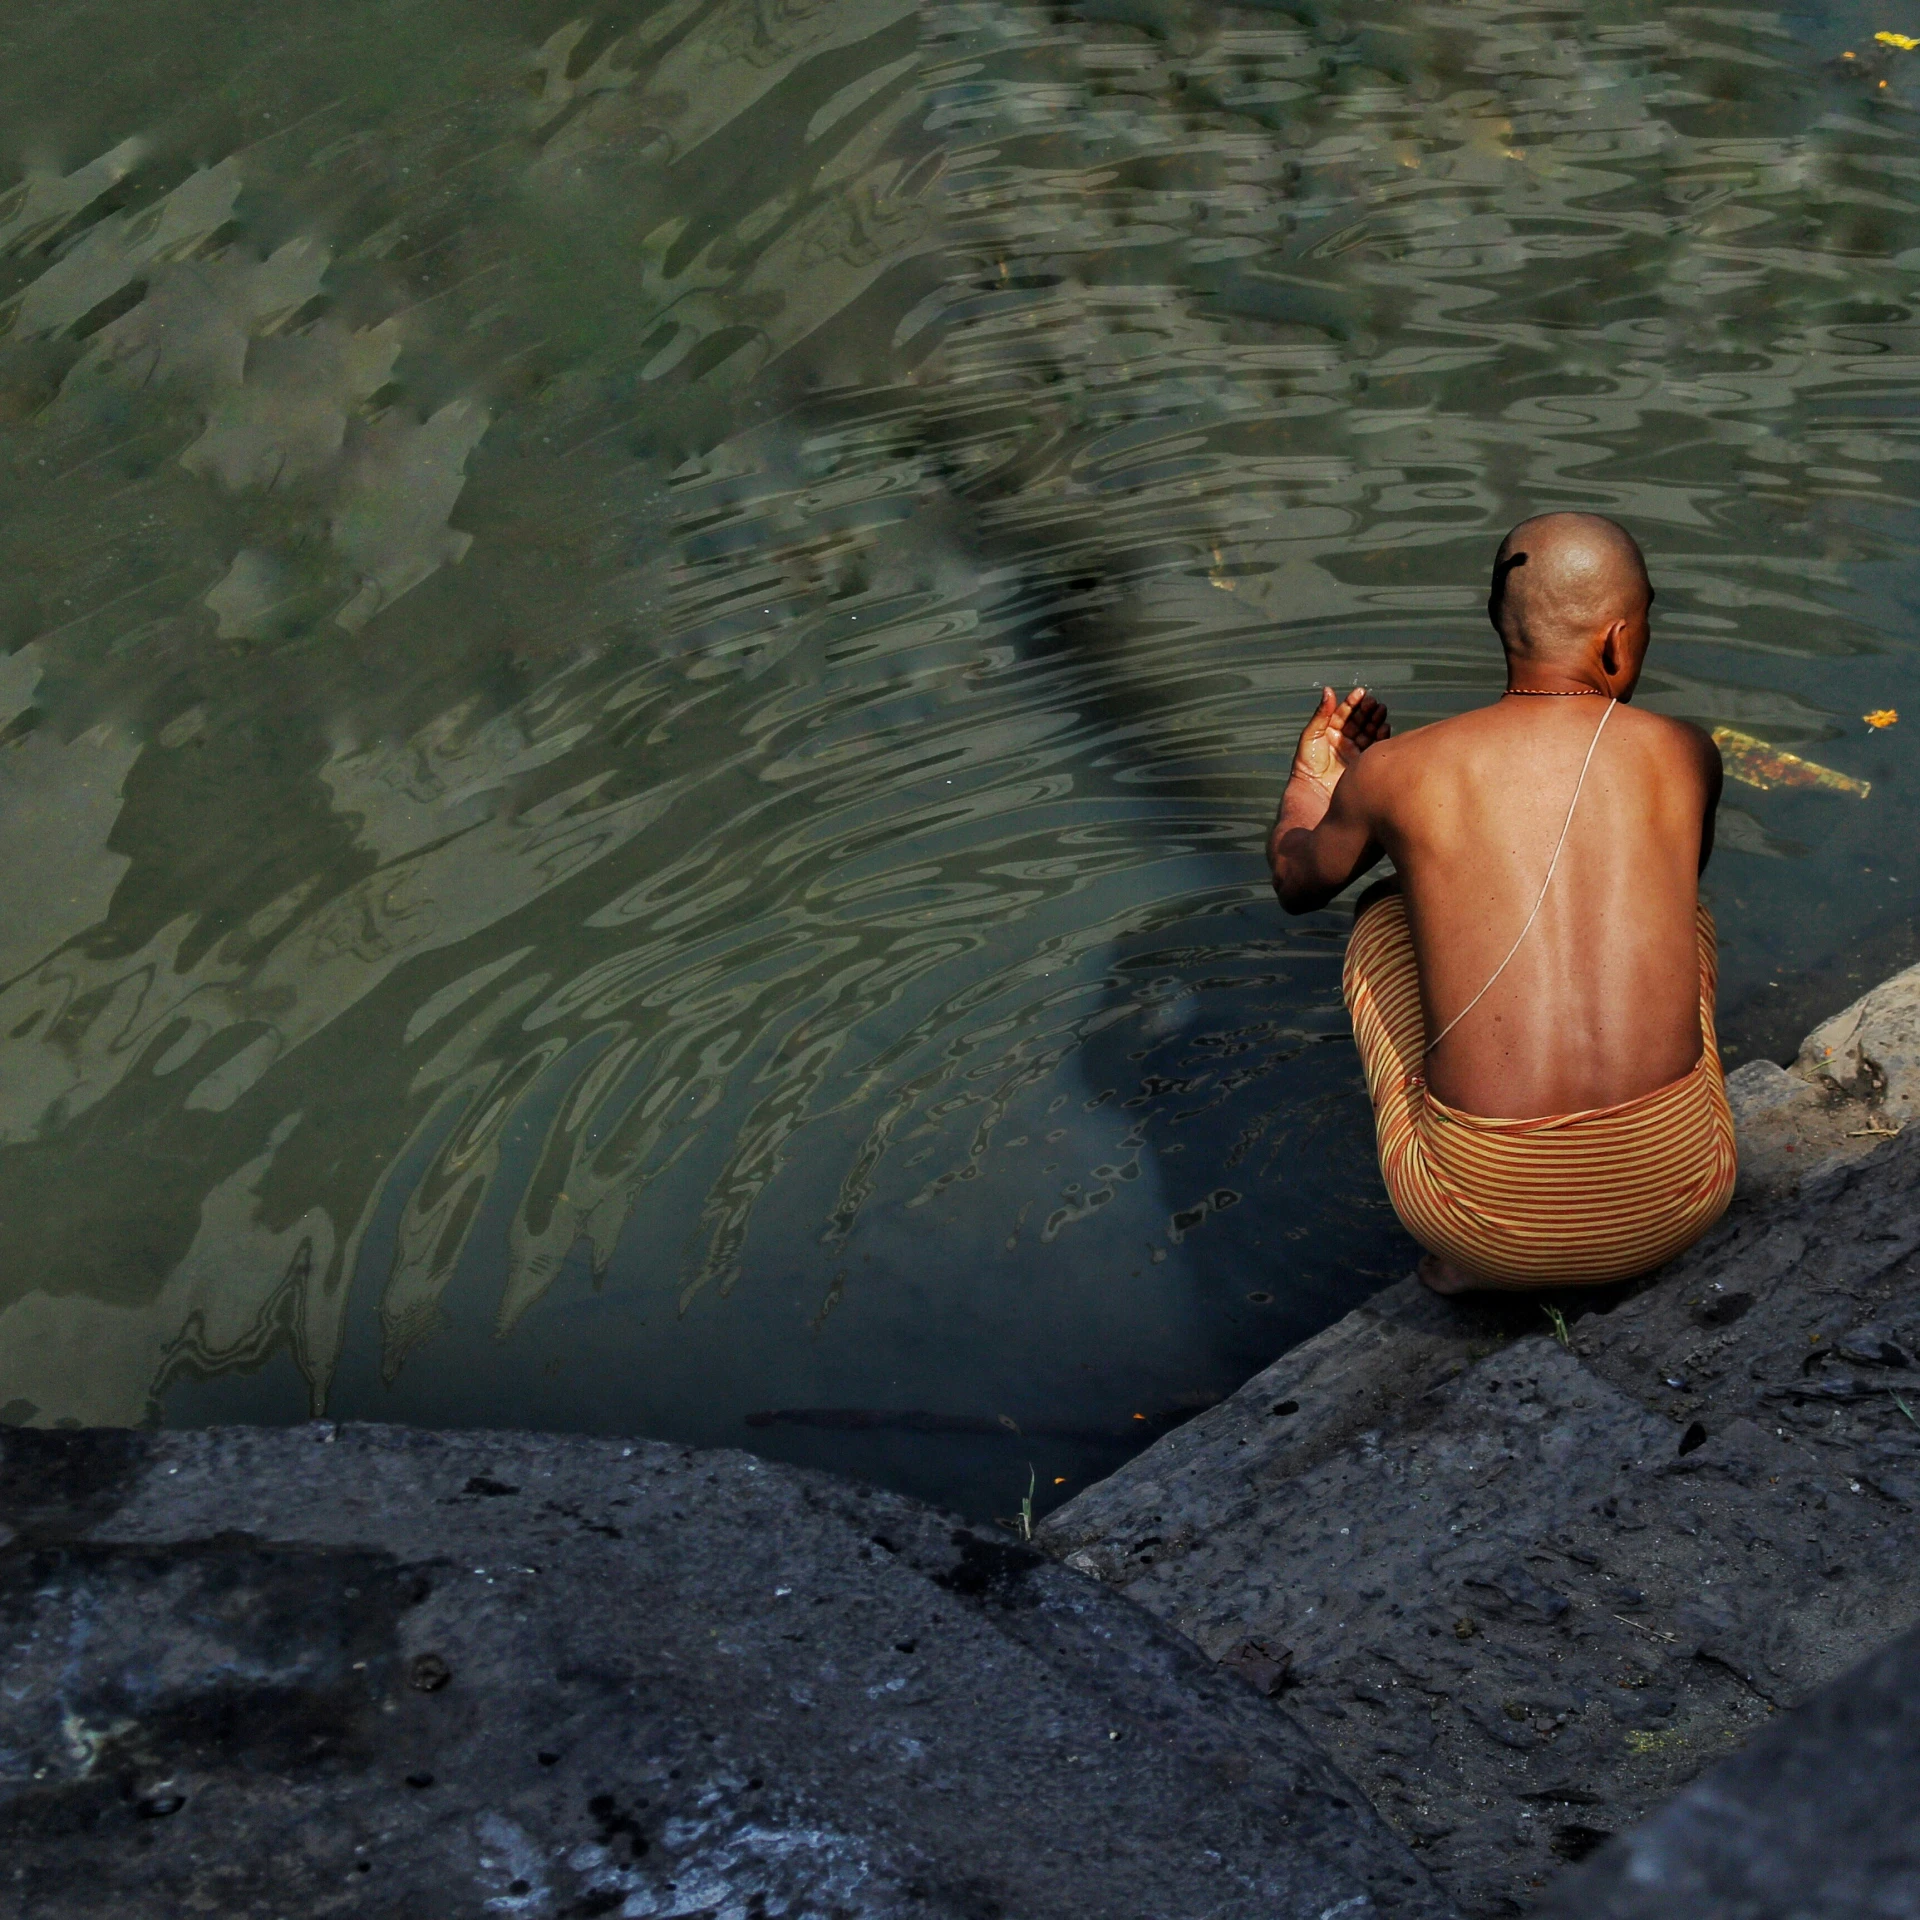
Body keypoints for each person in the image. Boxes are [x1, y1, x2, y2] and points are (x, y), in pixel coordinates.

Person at [1267, 512, 1734, 1293]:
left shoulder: (1393, 770)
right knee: (1681, 906)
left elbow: (1295, 885)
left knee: (1385, 913)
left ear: (1500, 626)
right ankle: (1624, 1193)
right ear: (1618, 639)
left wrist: (1314, 783)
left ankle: (1473, 1257)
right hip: (1686, 1194)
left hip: (1486, 1226)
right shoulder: (1686, 751)